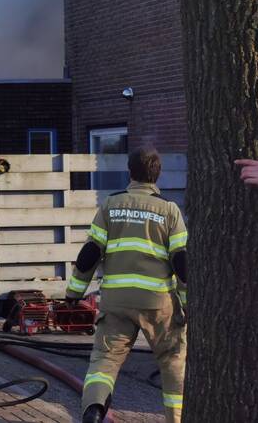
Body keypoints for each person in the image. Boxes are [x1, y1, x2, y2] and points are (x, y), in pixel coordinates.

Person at [66, 147, 187, 423]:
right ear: (157, 174)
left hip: (116, 301)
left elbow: (90, 253)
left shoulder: (111, 205)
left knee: (104, 360)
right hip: (158, 303)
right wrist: (187, 304)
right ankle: (176, 418)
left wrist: (73, 293)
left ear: (129, 172)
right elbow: (182, 263)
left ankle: (94, 409)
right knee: (173, 360)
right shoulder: (169, 210)